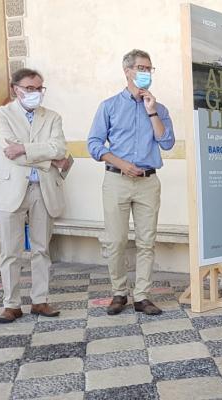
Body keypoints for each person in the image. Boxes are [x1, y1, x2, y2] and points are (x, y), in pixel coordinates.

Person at [87, 49, 175, 316]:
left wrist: (152, 112)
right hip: (117, 180)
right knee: (116, 241)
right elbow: (94, 144)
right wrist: (122, 163)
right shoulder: (109, 106)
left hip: (148, 182)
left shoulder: (159, 108)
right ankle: (119, 292)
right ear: (127, 71)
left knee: (147, 242)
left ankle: (142, 296)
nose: (146, 73)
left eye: (149, 68)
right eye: (141, 68)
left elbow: (167, 142)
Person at [0, 68, 70, 323]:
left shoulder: (52, 117)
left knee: (41, 249)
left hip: (43, 189)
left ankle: (40, 300)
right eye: (30, 88)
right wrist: (48, 159)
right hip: (10, 190)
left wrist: (24, 148)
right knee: (10, 251)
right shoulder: (1, 115)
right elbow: (9, 152)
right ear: (16, 89)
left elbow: (59, 149)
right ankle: (11, 304)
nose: (36, 93)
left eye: (39, 88)